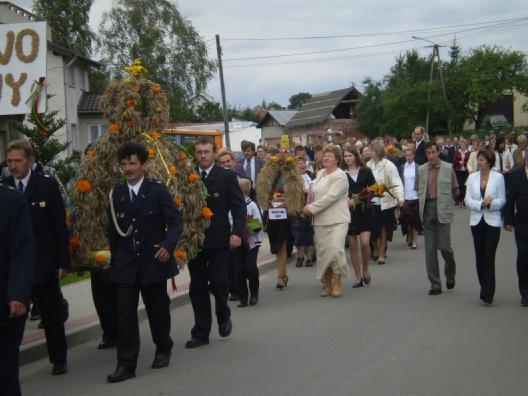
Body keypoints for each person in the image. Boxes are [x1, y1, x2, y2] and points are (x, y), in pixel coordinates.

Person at [106, 143, 183, 383]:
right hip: (126, 264)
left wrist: (168, 246)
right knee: (125, 315)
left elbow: (175, 222)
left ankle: (163, 347)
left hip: (153, 260)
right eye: (124, 164)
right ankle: (126, 363)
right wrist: (114, 261)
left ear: (144, 165)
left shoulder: (157, 191)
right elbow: (114, 232)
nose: (128, 168)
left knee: (157, 310)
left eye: (132, 163)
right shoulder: (116, 194)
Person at [2, 139, 70, 375]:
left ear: (29, 161)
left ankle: (59, 358)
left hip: (43, 262)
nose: (13, 166)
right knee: (11, 316)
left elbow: (58, 225)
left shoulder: (46, 185)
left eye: (18, 161)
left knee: (51, 314)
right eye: (9, 161)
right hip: (13, 266)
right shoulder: (5, 187)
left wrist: (63, 261)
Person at [186, 137, 245, 349]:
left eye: (206, 151)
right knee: (197, 287)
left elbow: (239, 207)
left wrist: (237, 232)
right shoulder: (187, 177)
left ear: (214, 153)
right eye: (199, 152)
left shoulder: (227, 176)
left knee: (219, 282)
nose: (202, 155)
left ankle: (223, 314)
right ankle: (201, 332)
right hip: (194, 241)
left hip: (220, 239)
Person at [0, 184, 35, 396]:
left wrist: (18, 294)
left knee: (5, 375)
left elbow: (23, 251)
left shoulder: (11, 202)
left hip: (5, 308)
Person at [303, 144, 350, 298]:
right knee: (323, 254)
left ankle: (337, 281)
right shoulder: (320, 173)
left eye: (330, 155)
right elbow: (314, 193)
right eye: (325, 154)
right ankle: (328, 283)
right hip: (320, 221)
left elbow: (331, 197)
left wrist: (311, 208)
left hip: (338, 219)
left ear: (337, 159)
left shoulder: (341, 175)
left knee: (335, 250)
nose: (326, 157)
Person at [417, 142, 459, 295]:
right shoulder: (421, 170)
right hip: (427, 208)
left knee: (445, 247)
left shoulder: (448, 168)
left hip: (443, 208)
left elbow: (456, 190)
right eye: (428, 153)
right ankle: (435, 284)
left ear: (438, 152)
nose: (431, 156)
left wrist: (449, 202)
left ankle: (450, 272)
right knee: (430, 249)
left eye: (433, 152)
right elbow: (418, 190)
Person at [464, 149, 506, 306]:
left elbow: (502, 199)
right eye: (478, 159)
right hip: (476, 221)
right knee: (480, 256)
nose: (479, 162)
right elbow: (467, 200)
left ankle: (488, 292)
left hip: (492, 222)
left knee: (489, 256)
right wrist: (481, 204)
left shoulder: (498, 177)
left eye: (481, 159)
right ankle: (484, 284)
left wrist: (491, 204)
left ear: (489, 161)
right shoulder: (472, 177)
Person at [343, 144, 376, 287]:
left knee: (364, 242)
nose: (348, 158)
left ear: (356, 156)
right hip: (349, 212)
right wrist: (347, 200)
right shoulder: (341, 174)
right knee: (352, 244)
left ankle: (366, 270)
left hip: (365, 210)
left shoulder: (365, 171)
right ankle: (357, 276)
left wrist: (362, 197)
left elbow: (375, 189)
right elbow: (338, 192)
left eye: (350, 155)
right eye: (345, 156)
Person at [366, 142, 404, 265]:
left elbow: (396, 181)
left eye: (371, 151)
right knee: (372, 228)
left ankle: (381, 253)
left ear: (377, 152)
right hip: (372, 201)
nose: (368, 153)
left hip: (386, 202)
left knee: (383, 228)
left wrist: (400, 197)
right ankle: (375, 248)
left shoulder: (389, 166)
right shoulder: (368, 165)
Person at [504, 149, 528, 306]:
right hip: (522, 224)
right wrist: (508, 220)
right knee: (524, 258)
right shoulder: (516, 175)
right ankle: (525, 293)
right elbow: (510, 199)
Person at [235, 179, 263, 307]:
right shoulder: (233, 205)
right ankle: (243, 297)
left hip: (252, 241)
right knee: (239, 270)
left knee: (250, 268)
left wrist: (246, 224)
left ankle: (254, 293)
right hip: (237, 241)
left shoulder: (252, 205)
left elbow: (258, 225)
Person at [292, 156, 315, 268]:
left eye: (303, 163)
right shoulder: (293, 178)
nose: (302, 165)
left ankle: (309, 258)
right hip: (297, 207)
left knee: (309, 233)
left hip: (310, 206)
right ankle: (300, 256)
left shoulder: (310, 175)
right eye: (299, 163)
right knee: (298, 234)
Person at [399, 148, 422, 249]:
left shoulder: (418, 167)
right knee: (406, 219)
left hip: (415, 196)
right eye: (406, 155)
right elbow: (399, 181)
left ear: (413, 156)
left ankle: (414, 241)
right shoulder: (402, 167)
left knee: (414, 220)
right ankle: (409, 235)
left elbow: (421, 182)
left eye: (410, 155)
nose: (408, 157)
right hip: (405, 197)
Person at [452, 138, 470, 205]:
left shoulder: (468, 152)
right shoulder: (457, 152)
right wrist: (459, 162)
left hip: (465, 170)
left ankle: (464, 199)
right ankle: (459, 198)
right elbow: (454, 161)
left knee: (465, 185)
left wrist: (464, 163)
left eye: (464, 144)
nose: (463, 145)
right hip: (458, 170)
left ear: (466, 145)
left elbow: (469, 161)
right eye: (462, 144)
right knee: (459, 185)